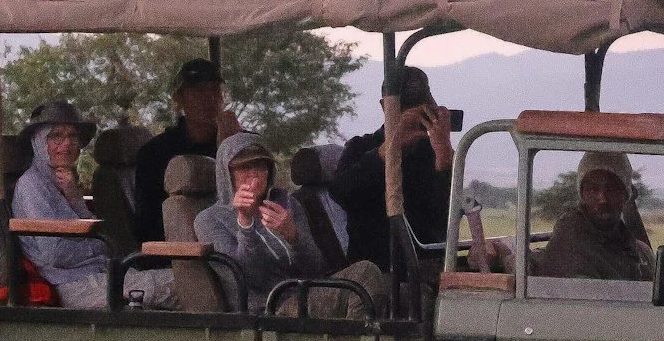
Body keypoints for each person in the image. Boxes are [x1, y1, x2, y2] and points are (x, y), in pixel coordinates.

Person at [327, 64, 455, 278]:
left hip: (428, 266)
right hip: (380, 270)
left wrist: (444, 155)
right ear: (385, 108)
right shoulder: (361, 148)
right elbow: (341, 192)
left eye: (422, 112)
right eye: (407, 112)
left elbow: (448, 213)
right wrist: (387, 150)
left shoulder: (432, 154)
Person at [193, 131, 328, 309]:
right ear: (227, 174)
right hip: (268, 310)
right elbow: (249, 278)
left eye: (260, 166)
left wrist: (294, 237)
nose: (254, 174)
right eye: (244, 167)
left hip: (306, 295)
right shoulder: (209, 219)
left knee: (365, 271)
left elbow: (318, 268)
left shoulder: (286, 203)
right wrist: (245, 223)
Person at [11, 100, 110, 307]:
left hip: (98, 275)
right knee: (174, 284)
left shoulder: (64, 182)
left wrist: (75, 198)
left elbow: (100, 234)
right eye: (56, 136)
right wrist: (97, 248)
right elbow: (55, 254)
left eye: (72, 136)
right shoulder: (31, 185)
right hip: (73, 284)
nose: (66, 144)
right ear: (38, 142)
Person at [131, 57, 237, 244]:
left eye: (215, 91)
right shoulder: (155, 153)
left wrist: (232, 146)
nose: (209, 99)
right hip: (180, 252)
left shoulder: (236, 140)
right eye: (199, 91)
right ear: (179, 99)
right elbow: (148, 224)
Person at [534, 150, 654, 281]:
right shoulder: (570, 244)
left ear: (625, 195)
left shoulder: (633, 247)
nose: (602, 199)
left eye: (611, 189)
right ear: (583, 194)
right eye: (593, 189)